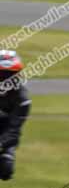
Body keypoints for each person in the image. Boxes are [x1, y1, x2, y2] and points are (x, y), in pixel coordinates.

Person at [0, 51, 31, 181]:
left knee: (6, 169)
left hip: (5, 133)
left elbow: (13, 130)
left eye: (12, 74)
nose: (7, 78)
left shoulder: (22, 100)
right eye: (3, 74)